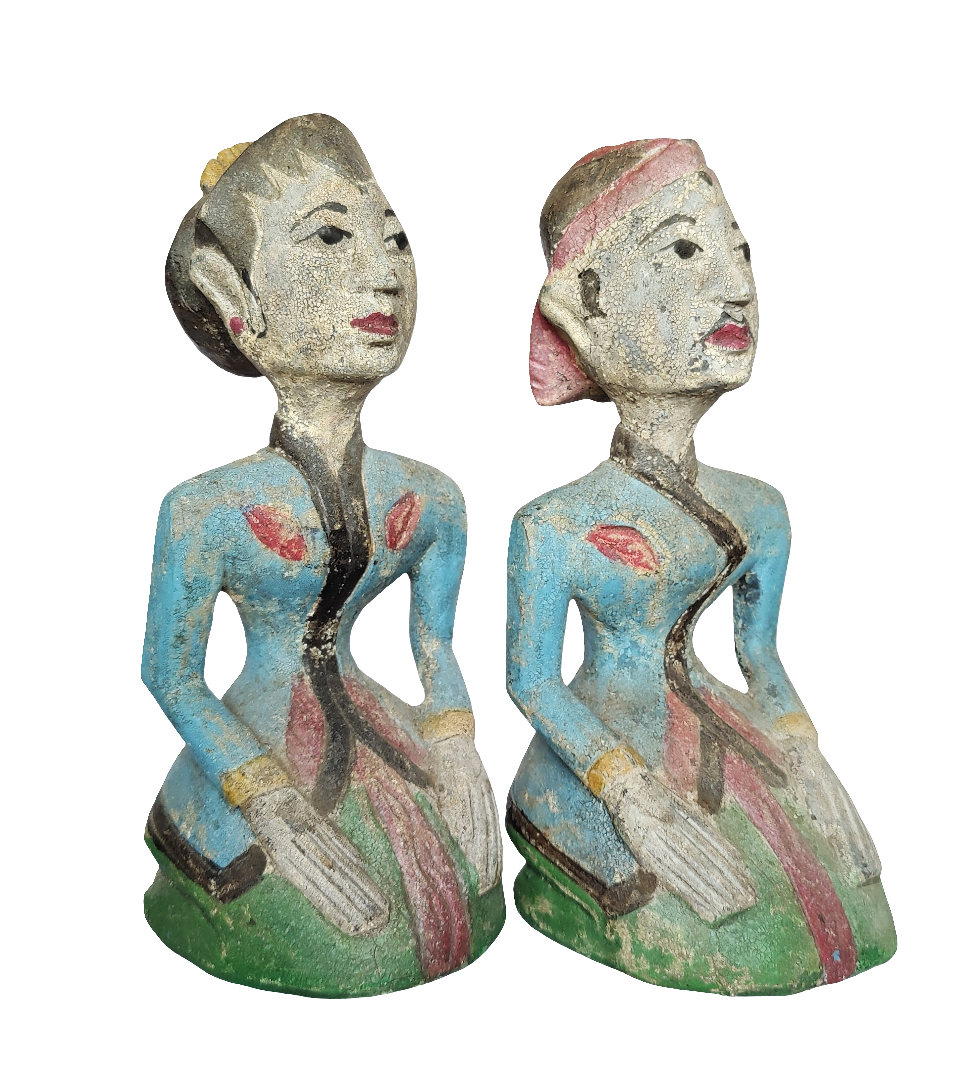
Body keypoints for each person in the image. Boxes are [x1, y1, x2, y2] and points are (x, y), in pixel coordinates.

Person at [505, 138, 895, 994]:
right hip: (601, 748)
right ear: (585, 308)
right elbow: (532, 683)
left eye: (740, 253)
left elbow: (759, 655)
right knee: (744, 932)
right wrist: (626, 792)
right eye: (684, 252)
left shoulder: (758, 507)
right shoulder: (555, 524)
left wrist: (806, 755)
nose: (735, 286)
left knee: (851, 912)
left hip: (724, 730)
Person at [144, 114, 502, 996]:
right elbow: (170, 674)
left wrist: (456, 746)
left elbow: (433, 647)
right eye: (332, 239)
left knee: (449, 890)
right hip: (252, 748)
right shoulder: (207, 510)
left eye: (396, 241)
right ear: (240, 302)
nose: (385, 273)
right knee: (331, 924)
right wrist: (264, 796)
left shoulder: (430, 498)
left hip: (385, 732)